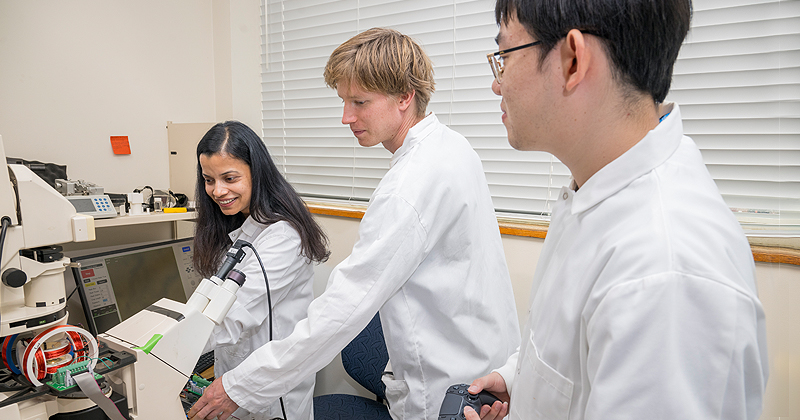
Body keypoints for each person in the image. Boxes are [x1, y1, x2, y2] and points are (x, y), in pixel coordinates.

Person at [188, 28, 520, 420]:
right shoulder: (453, 149)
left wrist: (244, 385)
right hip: (477, 373)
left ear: (404, 96)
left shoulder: (409, 186)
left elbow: (344, 307)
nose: (347, 117)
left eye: (359, 102)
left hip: (443, 393)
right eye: (345, 101)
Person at [464, 1, 769, 419]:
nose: (497, 85)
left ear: (573, 59)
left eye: (505, 56)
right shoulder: (596, 188)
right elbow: (579, 352)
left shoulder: (663, 271)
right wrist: (521, 381)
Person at [190, 121, 329, 420]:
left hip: (270, 395)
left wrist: (158, 343)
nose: (218, 190)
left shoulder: (283, 237)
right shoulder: (239, 229)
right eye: (209, 180)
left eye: (229, 178)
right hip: (235, 381)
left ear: (257, 172)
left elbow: (231, 316)